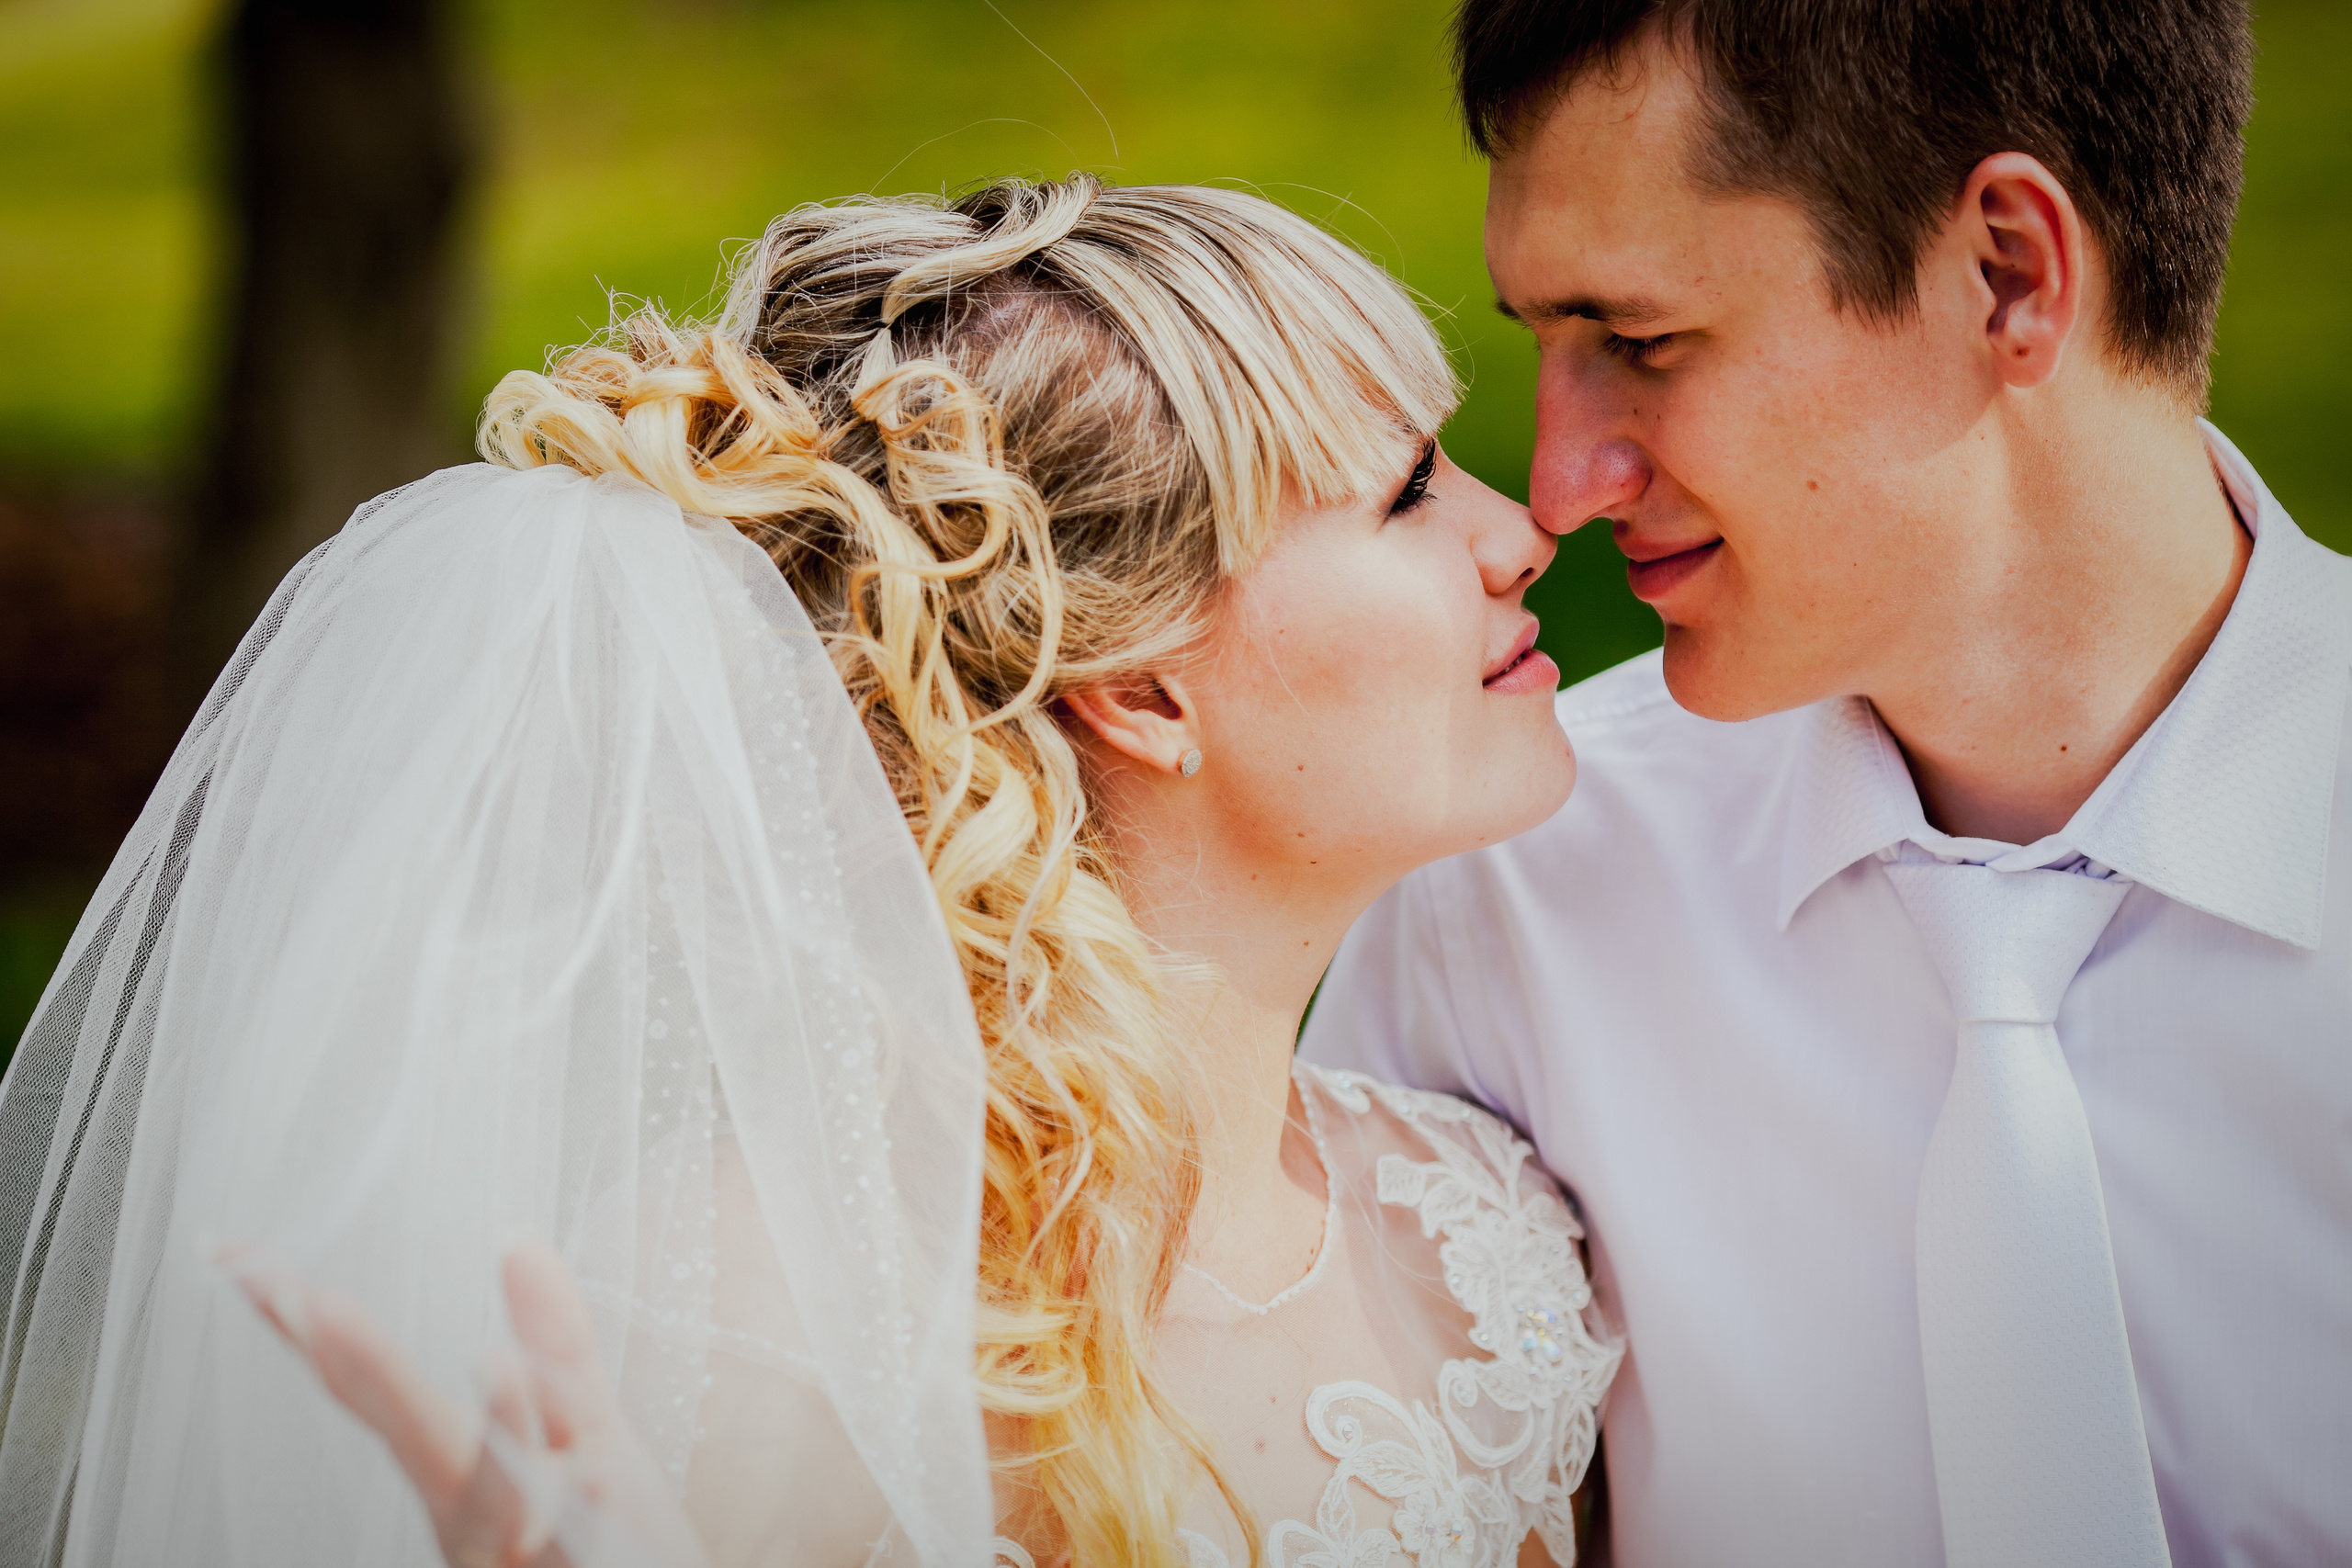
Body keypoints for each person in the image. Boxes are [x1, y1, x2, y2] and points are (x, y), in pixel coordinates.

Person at [0, 177, 1620, 1567]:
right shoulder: (756, 1332)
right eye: (1407, 493)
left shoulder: (1479, 1232)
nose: (1519, 532)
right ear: (1139, 690)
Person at [1303, 4, 2352, 1567]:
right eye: (1547, 345)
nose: (1559, 484)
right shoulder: (1503, 885)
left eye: (1639, 342)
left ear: (2008, 273)